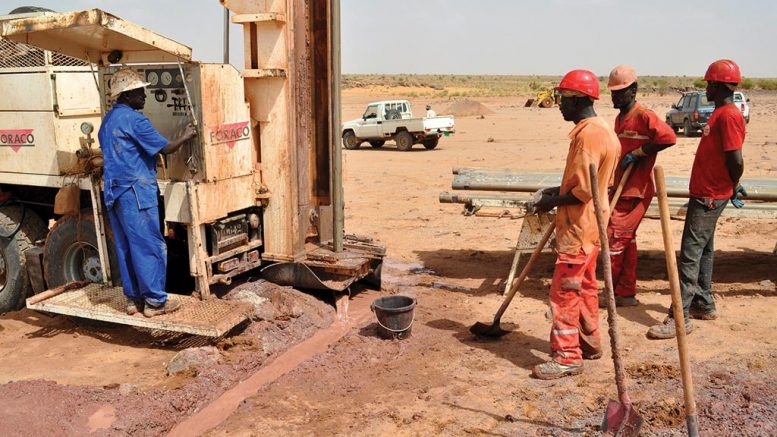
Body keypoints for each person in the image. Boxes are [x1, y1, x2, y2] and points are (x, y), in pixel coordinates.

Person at [648, 59, 746, 339]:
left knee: (690, 254)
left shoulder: (727, 116)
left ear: (717, 85)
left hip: (710, 195)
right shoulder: (721, 113)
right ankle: (703, 303)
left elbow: (735, 158)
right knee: (703, 250)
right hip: (709, 191)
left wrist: (733, 183)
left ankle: (680, 315)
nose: (707, 89)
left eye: (708, 84)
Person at [532, 69, 619, 379]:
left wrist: (550, 202)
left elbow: (582, 192)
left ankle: (567, 356)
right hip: (593, 226)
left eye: (563, 99)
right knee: (584, 287)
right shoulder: (604, 130)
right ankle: (590, 341)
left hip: (578, 227)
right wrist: (558, 192)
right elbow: (590, 184)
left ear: (579, 100)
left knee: (564, 293)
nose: (559, 105)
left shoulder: (586, 136)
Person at [98, 68, 197, 318]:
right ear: (127, 94)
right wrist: (187, 135)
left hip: (114, 192)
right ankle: (155, 302)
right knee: (149, 245)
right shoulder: (135, 120)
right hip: (136, 192)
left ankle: (134, 301)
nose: (145, 96)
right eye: (140, 92)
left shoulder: (108, 120)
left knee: (126, 246)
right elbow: (166, 149)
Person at [600, 65, 676, 308]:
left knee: (614, 241)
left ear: (633, 90)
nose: (616, 97)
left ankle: (608, 294)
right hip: (620, 187)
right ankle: (625, 293)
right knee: (627, 241)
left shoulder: (644, 115)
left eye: (621, 92)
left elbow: (668, 137)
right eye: (613, 92)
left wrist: (641, 152)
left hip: (636, 189)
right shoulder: (619, 118)